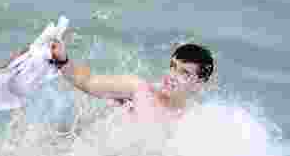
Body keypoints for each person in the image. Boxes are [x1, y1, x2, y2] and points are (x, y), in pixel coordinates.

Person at [47, 41, 215, 124]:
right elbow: (88, 82)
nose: (171, 76)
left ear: (199, 84)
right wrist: (63, 60)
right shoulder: (138, 89)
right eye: (172, 67)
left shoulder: (195, 120)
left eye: (184, 73)